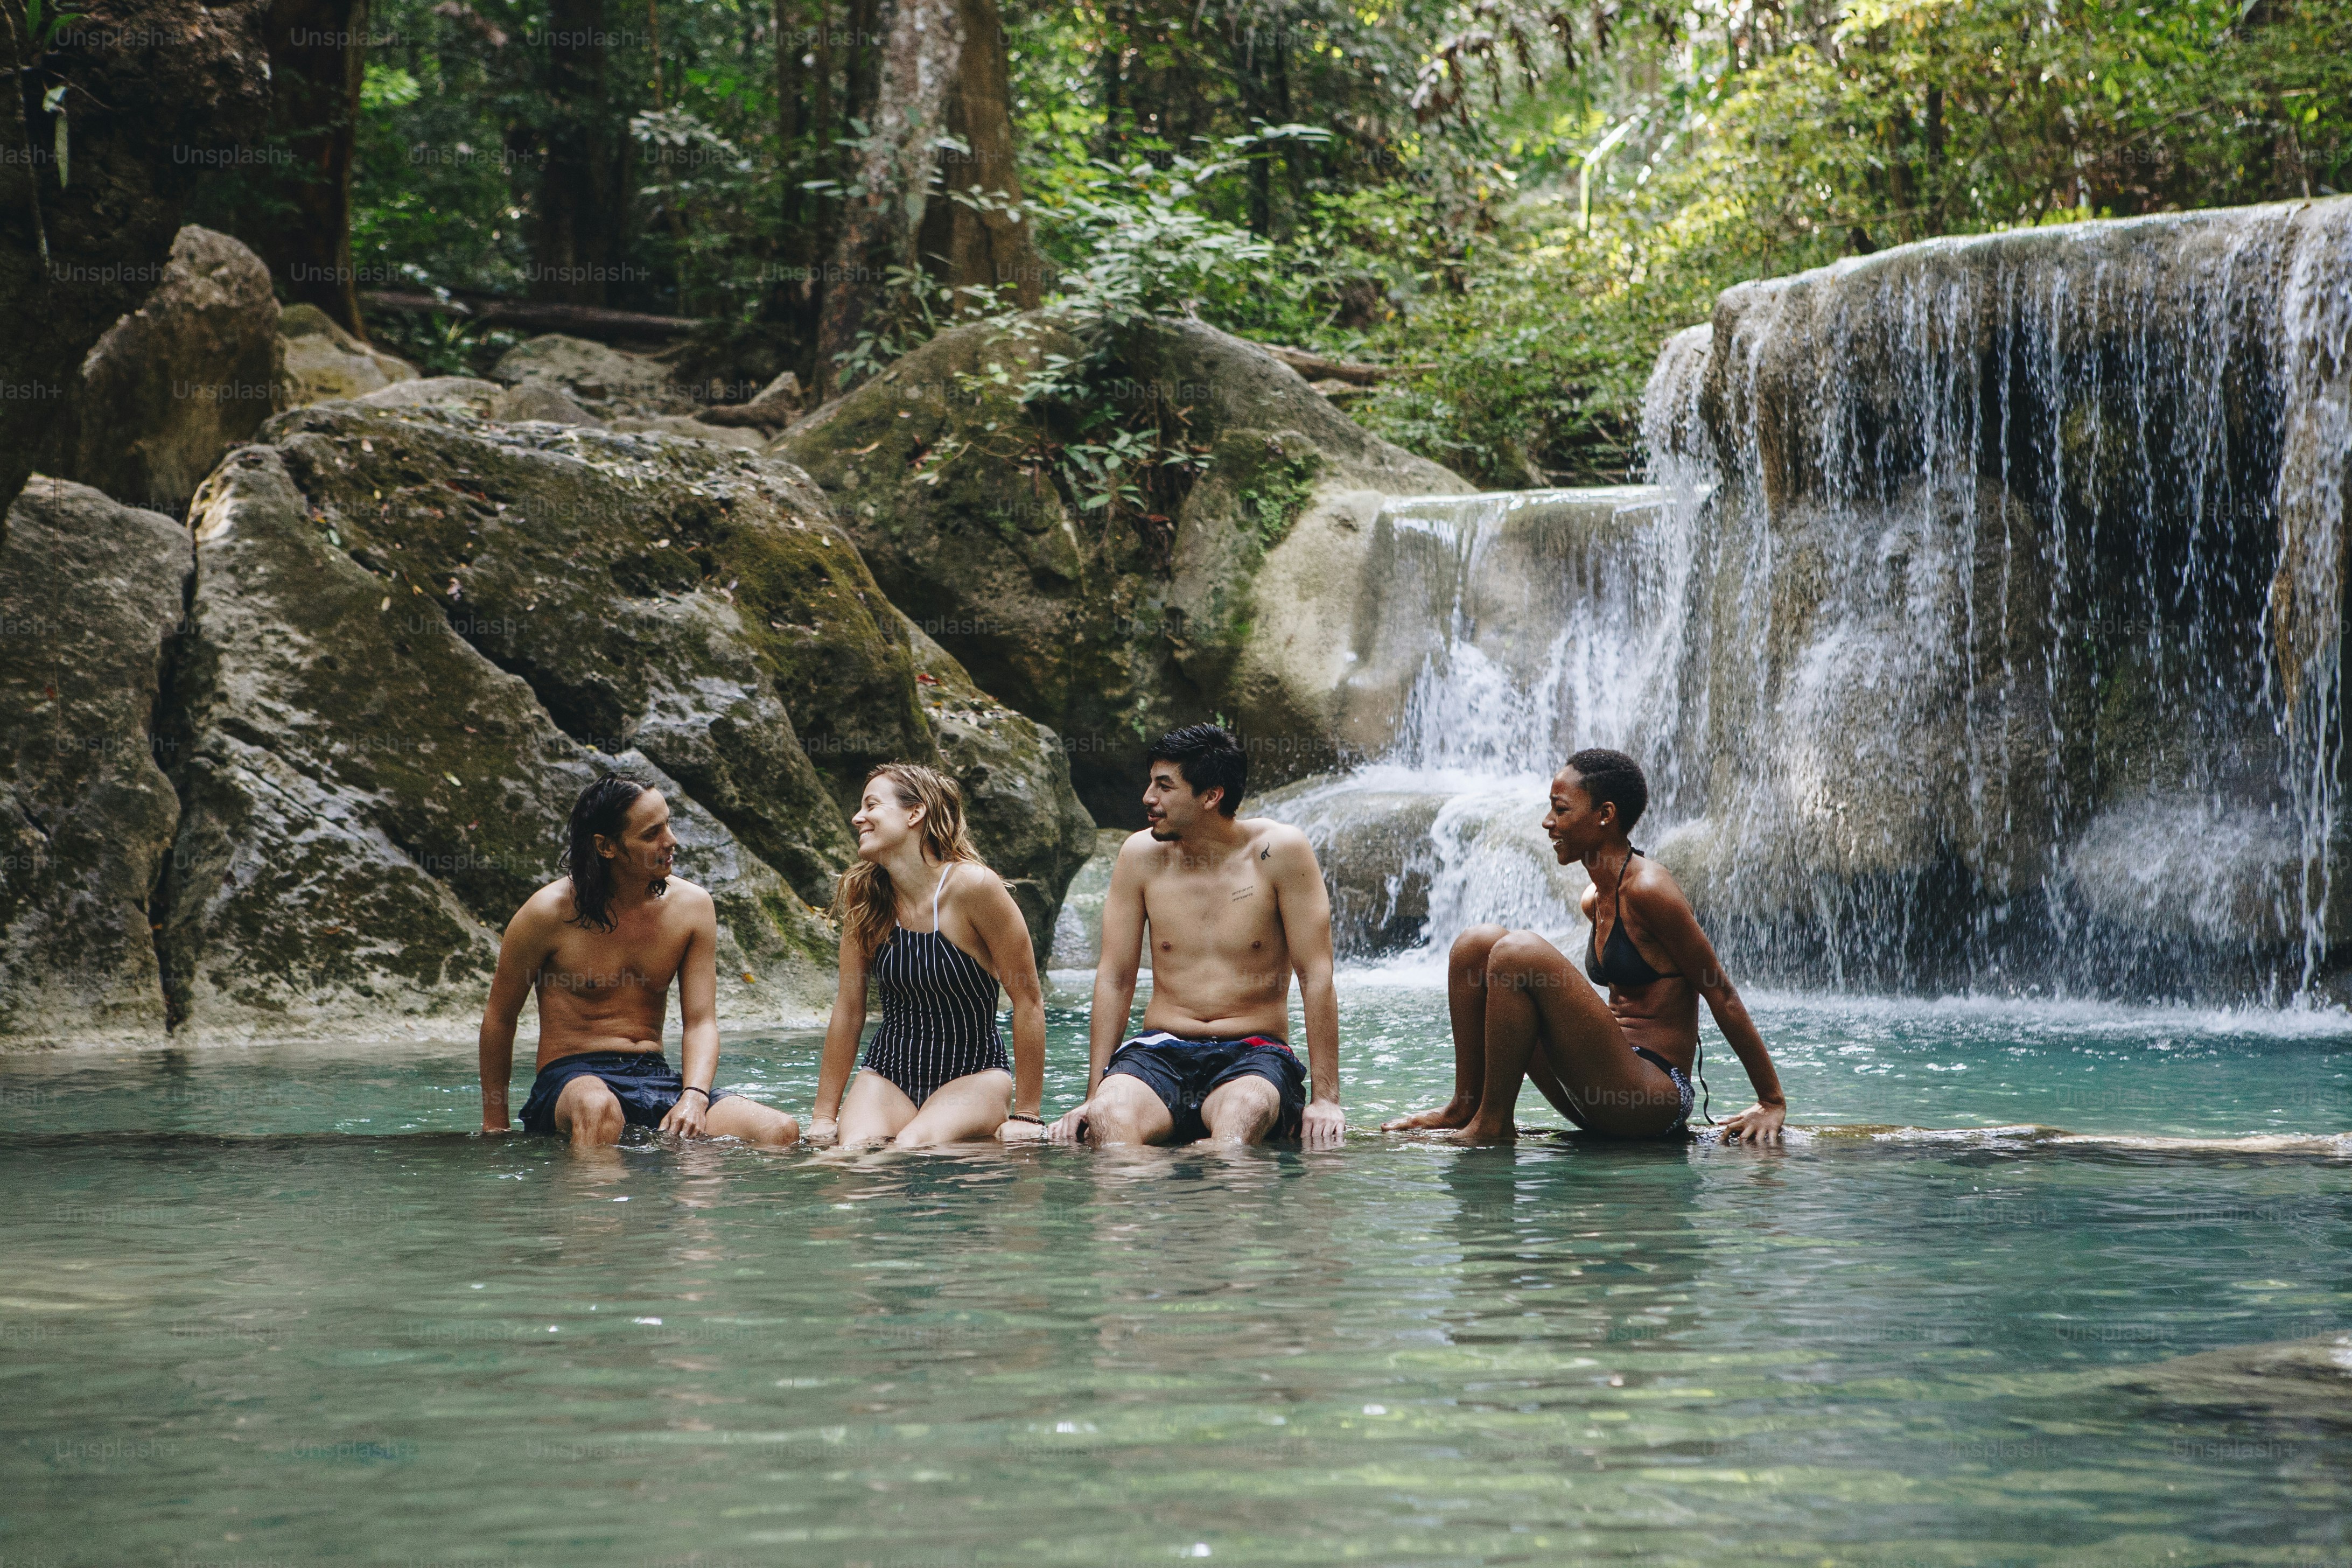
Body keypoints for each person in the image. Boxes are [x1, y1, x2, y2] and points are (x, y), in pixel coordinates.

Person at [1381, 747, 1787, 1144]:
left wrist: (1770, 1101)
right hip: (1597, 1089)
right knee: (1477, 945)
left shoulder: (1650, 889)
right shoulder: (1594, 899)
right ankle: (1466, 1107)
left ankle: (1493, 1124)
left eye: (1561, 810)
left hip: (1653, 1096)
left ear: (1605, 815)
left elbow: (1721, 993)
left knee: (1517, 950)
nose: (1548, 823)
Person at [1050, 724, 1345, 1149]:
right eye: (1151, 782)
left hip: (1253, 1054)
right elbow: (1116, 976)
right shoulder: (1140, 856)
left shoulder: (1279, 852)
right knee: (1109, 1120)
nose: (1148, 798)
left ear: (1211, 796)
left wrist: (1326, 1100)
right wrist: (1094, 1094)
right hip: (1159, 1052)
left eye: (1164, 786)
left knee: (1241, 1119)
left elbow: (1316, 974)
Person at [479, 774, 800, 1146]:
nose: (671, 841)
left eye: (668, 824)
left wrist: (694, 1096)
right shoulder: (546, 913)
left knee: (778, 1132)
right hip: (573, 1080)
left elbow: (700, 1022)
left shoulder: (692, 907)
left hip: (655, 1075)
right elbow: (500, 1018)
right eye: (651, 834)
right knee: (598, 1108)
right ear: (607, 846)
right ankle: (594, 1203)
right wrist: (495, 1126)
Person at [809, 763, 1046, 1149]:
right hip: (888, 1074)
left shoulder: (972, 887)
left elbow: (1028, 1000)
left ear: (914, 813)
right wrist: (823, 1117)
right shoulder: (866, 898)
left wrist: (1027, 1114)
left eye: (871, 806)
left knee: (912, 1147)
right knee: (849, 1158)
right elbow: (849, 1009)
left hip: (974, 1075)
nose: (858, 818)